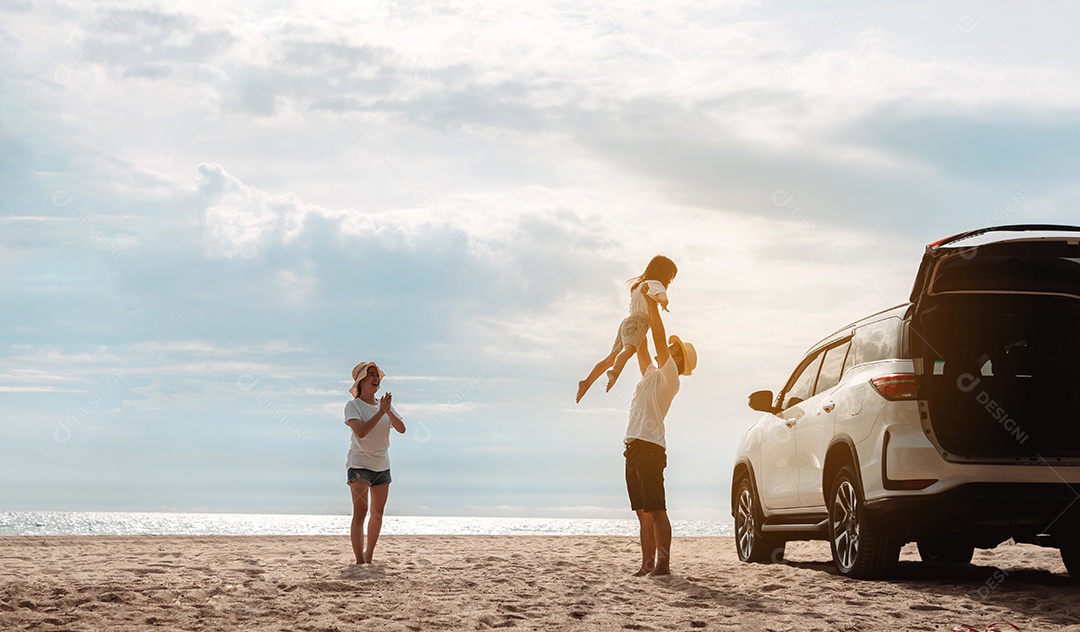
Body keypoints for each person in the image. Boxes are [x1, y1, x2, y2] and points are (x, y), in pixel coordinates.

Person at [623, 288, 696, 576]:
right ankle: (647, 564)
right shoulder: (652, 374)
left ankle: (663, 565)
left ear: (679, 361)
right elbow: (642, 346)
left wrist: (653, 306)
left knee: (656, 510)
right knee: (643, 513)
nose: (668, 349)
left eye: (674, 350)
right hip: (634, 446)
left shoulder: (671, 376)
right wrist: (637, 310)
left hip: (651, 447)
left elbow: (657, 337)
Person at [576, 255, 678, 403]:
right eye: (670, 277)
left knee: (611, 358)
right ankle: (615, 372)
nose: (669, 281)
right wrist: (664, 303)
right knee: (629, 350)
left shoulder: (637, 286)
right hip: (639, 323)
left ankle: (587, 382)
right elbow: (663, 296)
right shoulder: (655, 284)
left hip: (627, 322)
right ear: (664, 273)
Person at [344, 361, 406, 565]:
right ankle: (359, 560)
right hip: (359, 464)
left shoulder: (384, 405)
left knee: (377, 513)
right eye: (371, 374)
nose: (375, 378)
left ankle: (369, 555)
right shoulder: (353, 406)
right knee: (360, 512)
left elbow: (402, 428)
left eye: (377, 374)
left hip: (382, 465)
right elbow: (360, 432)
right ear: (361, 381)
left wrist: (386, 411)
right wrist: (380, 412)